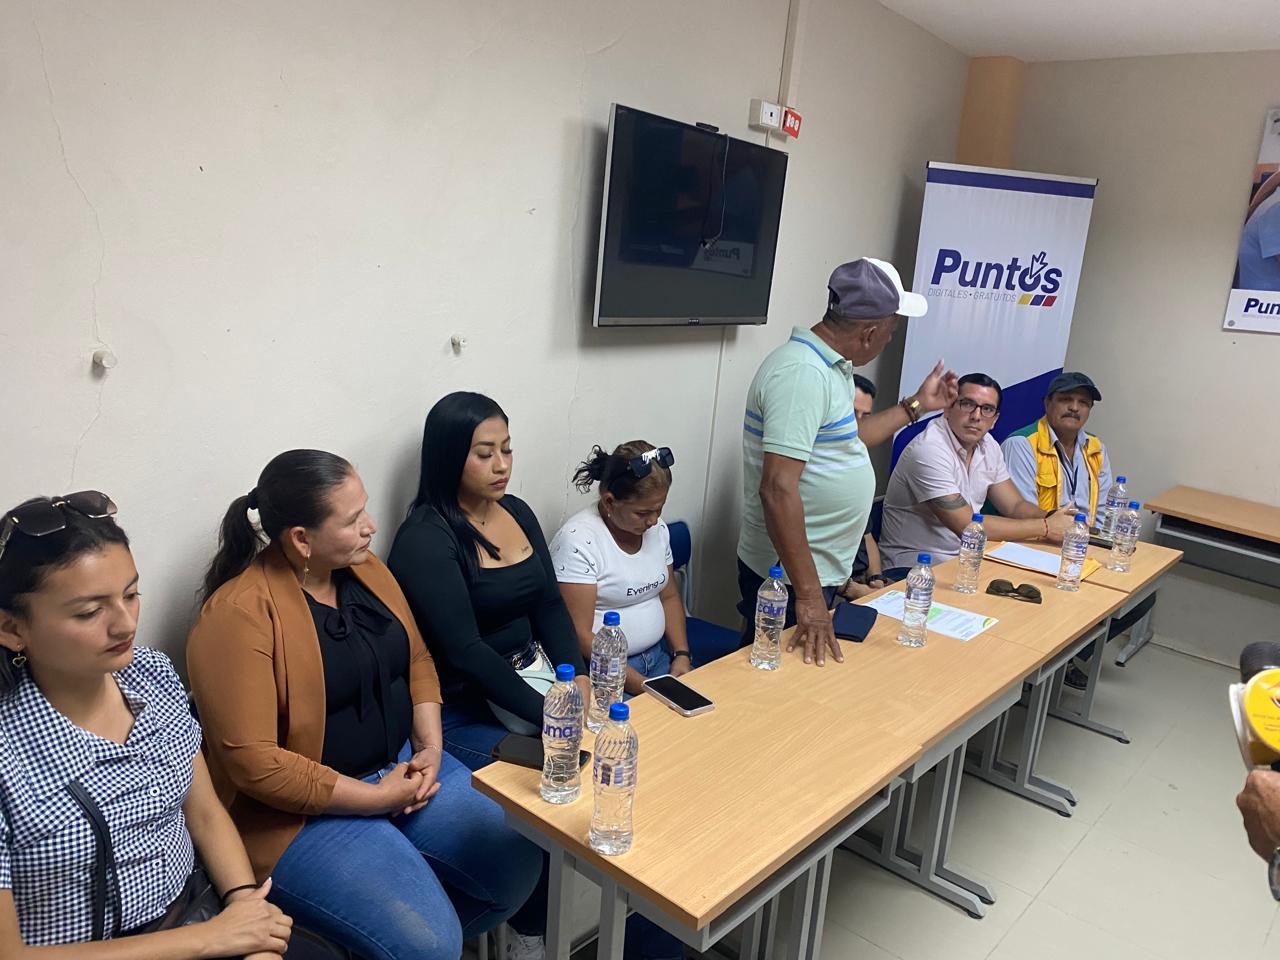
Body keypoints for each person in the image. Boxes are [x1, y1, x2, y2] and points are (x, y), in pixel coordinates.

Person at [188, 451, 541, 960]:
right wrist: (375, 799)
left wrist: (430, 748)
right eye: (353, 519)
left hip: (401, 766)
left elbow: (416, 657)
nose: (371, 526)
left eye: (365, 510)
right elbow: (255, 764)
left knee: (515, 862)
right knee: (430, 944)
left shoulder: (365, 569)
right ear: (301, 539)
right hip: (302, 815)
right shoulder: (237, 615)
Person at [0, 492, 291, 959]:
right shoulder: (11, 752)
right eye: (89, 612)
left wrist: (244, 907)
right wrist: (214, 938)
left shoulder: (152, 674)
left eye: (131, 595)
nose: (125, 624)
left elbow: (204, 813)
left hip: (198, 911)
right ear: (12, 629)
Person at [738, 257, 958, 665]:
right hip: (787, 580)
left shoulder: (831, 366)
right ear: (870, 332)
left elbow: (850, 440)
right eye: (892, 330)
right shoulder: (803, 373)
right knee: (772, 685)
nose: (889, 339)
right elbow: (777, 489)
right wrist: (808, 597)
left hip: (810, 571)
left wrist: (917, 405)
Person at [551, 442, 737, 695]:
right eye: (642, 513)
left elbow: (669, 597)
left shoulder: (657, 530)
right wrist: (644, 686)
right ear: (609, 502)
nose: (653, 520)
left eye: (659, 509)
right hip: (607, 675)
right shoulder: (578, 541)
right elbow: (580, 636)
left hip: (660, 657)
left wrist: (681, 655)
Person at [880, 373, 1077, 573]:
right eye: (967, 404)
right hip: (913, 567)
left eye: (987, 409)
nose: (976, 416)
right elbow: (966, 526)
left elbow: (1014, 505)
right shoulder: (928, 449)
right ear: (948, 408)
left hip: (966, 559)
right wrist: (1046, 527)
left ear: (994, 420)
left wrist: (1056, 518)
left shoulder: (988, 445)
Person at [1002, 372, 1113, 525]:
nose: (1074, 408)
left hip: (1084, 536)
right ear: (1047, 403)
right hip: (1037, 534)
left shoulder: (1097, 449)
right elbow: (1023, 514)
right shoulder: (1021, 444)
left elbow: (1102, 514)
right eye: (1066, 399)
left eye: (1083, 402)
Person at [836, 375, 889, 602]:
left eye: (864, 416)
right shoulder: (815, 469)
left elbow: (866, 535)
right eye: (851, 414)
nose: (857, 425)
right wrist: (853, 591)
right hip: (831, 587)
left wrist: (876, 578)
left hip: (858, 581)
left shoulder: (857, 463)